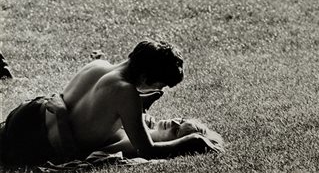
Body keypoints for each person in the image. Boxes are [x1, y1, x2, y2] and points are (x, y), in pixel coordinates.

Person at [0, 40, 219, 167]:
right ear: (144, 78)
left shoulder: (99, 66)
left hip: (29, 112)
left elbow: (90, 107)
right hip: (37, 141)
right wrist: (192, 141)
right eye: (158, 85)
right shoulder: (126, 92)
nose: (157, 91)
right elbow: (147, 150)